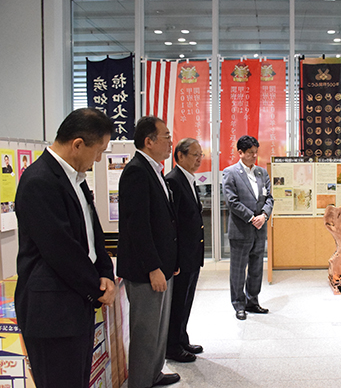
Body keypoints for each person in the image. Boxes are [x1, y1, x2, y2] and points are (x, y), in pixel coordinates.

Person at [14, 108, 116, 388]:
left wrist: (105, 271)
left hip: (74, 300)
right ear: (78, 144)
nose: (98, 159)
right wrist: (97, 286)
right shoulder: (39, 181)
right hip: (52, 310)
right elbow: (61, 250)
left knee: (77, 379)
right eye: (98, 151)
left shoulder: (76, 178)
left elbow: (92, 231)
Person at [116, 116, 180, 387]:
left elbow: (164, 221)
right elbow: (137, 226)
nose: (170, 142)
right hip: (145, 270)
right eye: (166, 136)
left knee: (158, 329)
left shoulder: (155, 169)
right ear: (148, 141)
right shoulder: (136, 171)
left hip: (161, 266)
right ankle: (141, 382)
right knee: (145, 331)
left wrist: (170, 262)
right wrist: (154, 266)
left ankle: (154, 373)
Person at [222, 135, 274, 321]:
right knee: (238, 269)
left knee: (256, 268)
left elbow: (269, 198)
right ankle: (238, 304)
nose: (254, 156)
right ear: (240, 153)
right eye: (250, 153)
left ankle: (253, 301)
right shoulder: (230, 173)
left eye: (255, 152)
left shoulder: (262, 173)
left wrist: (264, 215)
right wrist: (252, 218)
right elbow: (232, 201)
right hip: (241, 229)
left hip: (259, 229)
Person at [164, 138, 205, 363]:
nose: (199, 159)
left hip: (192, 254)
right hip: (182, 256)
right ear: (180, 156)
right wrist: (176, 259)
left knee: (187, 300)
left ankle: (182, 338)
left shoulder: (189, 179)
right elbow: (173, 224)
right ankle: (172, 346)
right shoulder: (174, 181)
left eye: (201, 155)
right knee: (178, 301)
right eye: (195, 155)